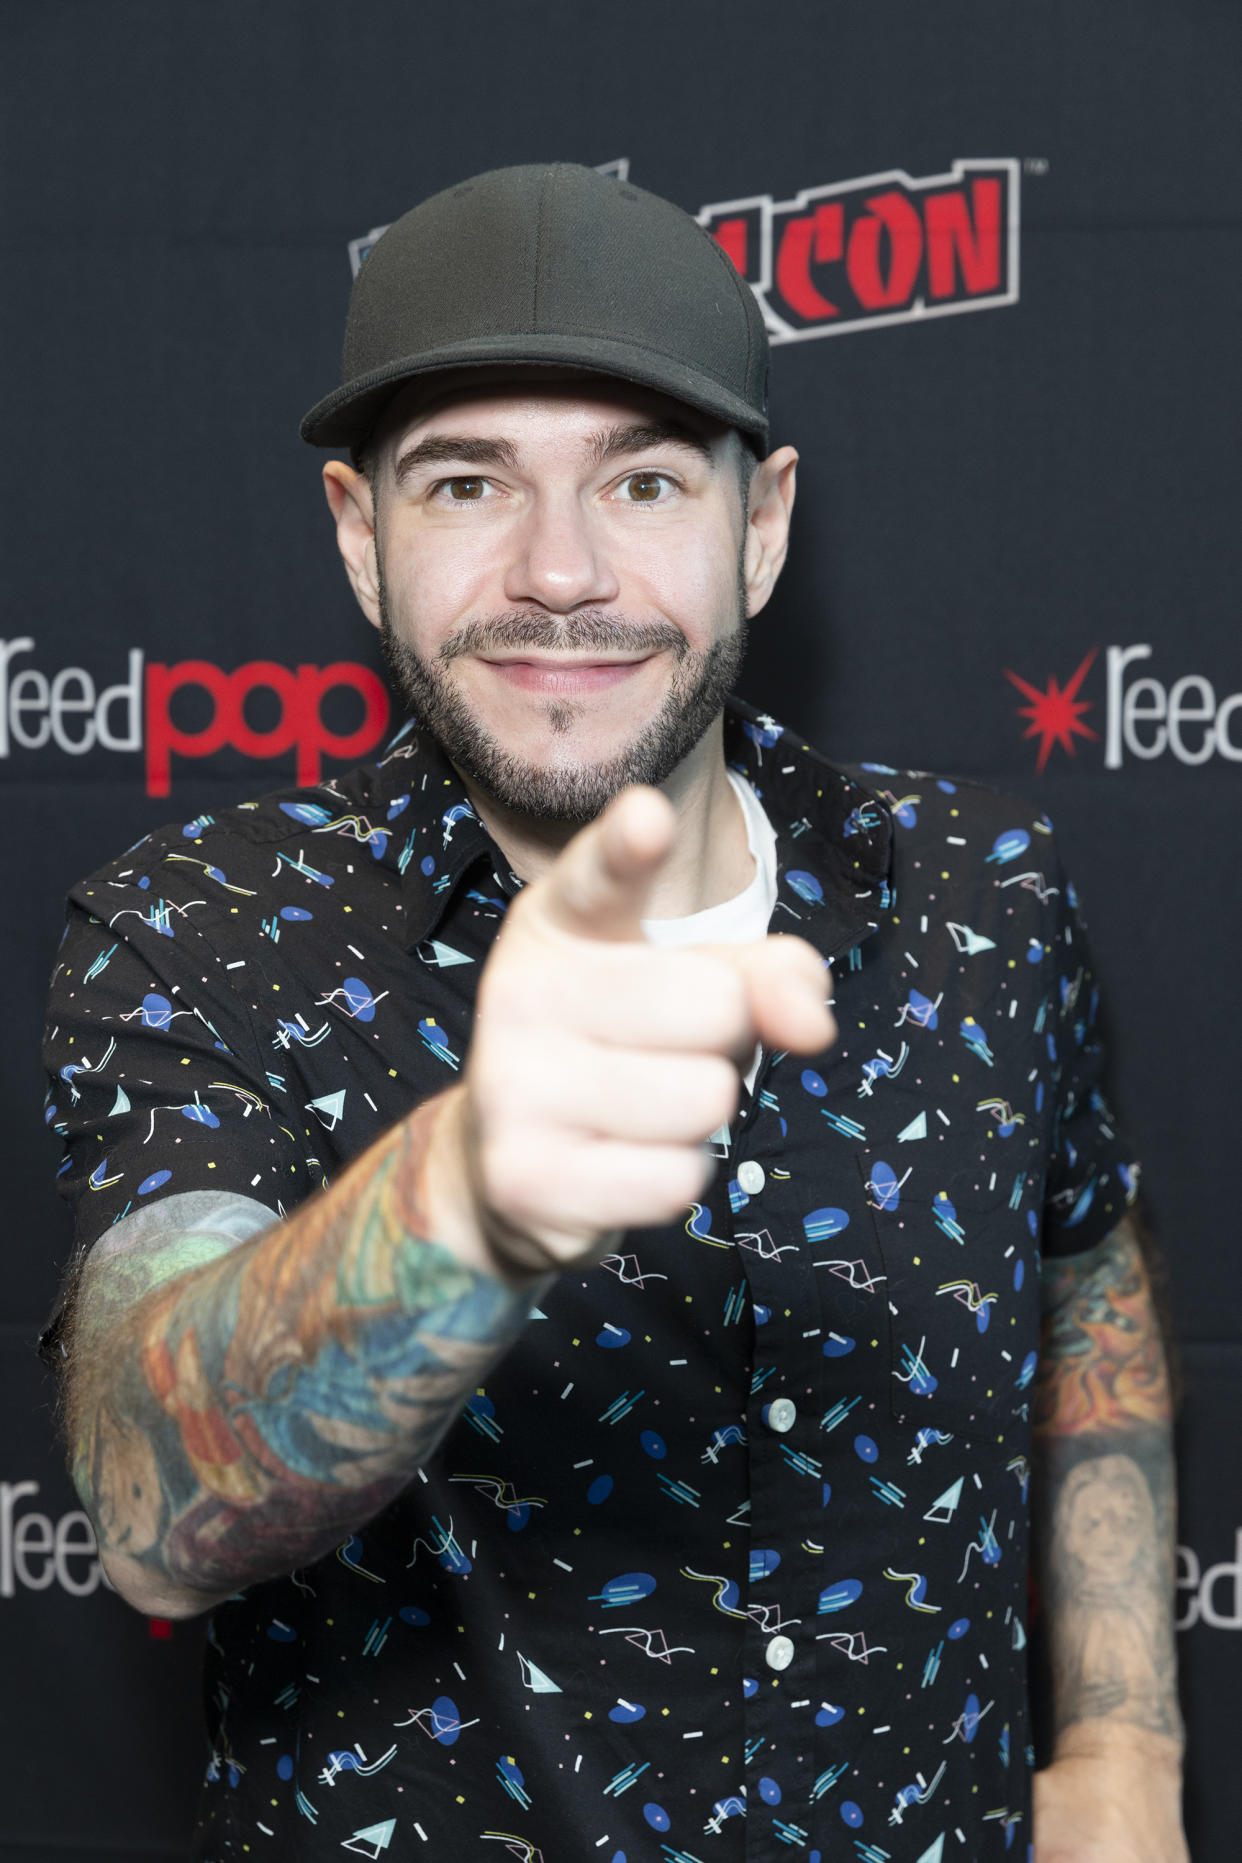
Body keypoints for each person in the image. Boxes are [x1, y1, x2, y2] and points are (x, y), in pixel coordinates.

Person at [42, 163, 1186, 1861]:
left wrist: (1118, 1754)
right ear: (362, 538)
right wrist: (466, 1206)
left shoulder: (985, 888)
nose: (559, 572)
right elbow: (151, 1494)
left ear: (762, 523)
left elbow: (1084, 1269)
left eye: (643, 481)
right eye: (467, 483)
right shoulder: (200, 933)